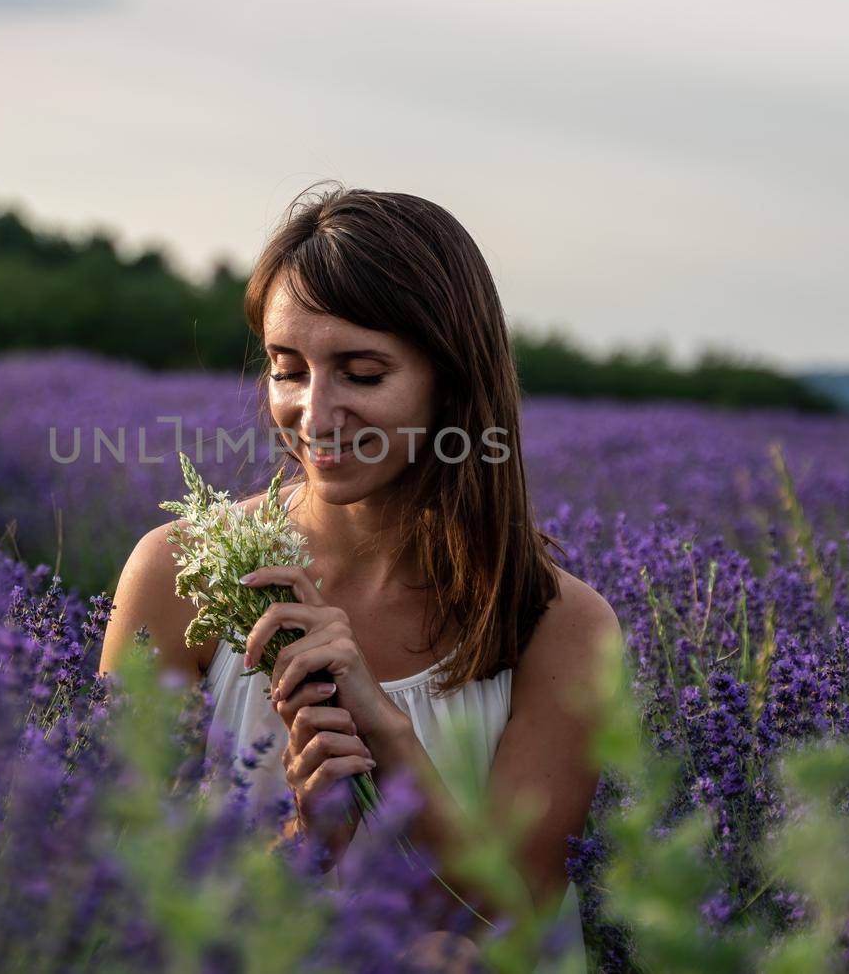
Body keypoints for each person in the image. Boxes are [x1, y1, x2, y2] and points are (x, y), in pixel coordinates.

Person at [101, 182, 621, 969]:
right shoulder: (175, 575)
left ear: (450, 380)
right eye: (288, 369)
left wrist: (389, 735)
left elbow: (513, 904)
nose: (314, 412)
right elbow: (123, 882)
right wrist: (305, 841)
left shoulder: (559, 625)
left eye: (362, 372)